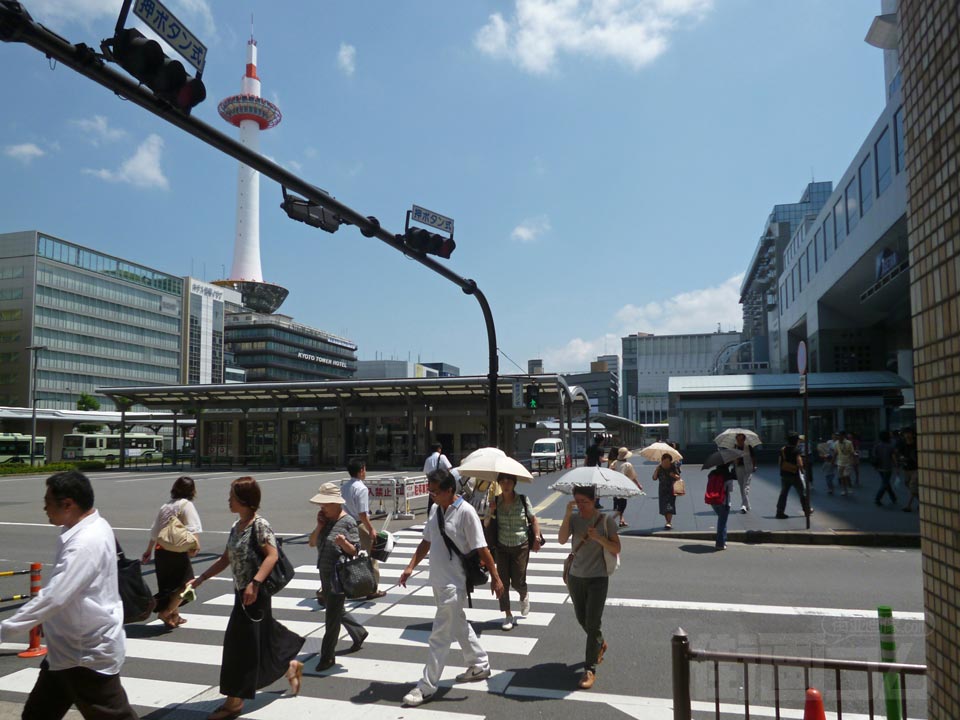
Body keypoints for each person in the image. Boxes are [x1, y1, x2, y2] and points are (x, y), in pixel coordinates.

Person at [0, 471, 138, 720]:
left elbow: (55, 596)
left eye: (48, 502)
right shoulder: (94, 524)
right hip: (66, 649)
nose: (44, 508)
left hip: (84, 654)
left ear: (68, 504)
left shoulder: (84, 542)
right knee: (37, 715)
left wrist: (5, 629)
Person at [192, 477, 304, 720]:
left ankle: (234, 703)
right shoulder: (237, 526)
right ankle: (290, 665)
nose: (228, 500)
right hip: (241, 594)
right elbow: (226, 559)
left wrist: (254, 584)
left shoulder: (259, 525)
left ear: (244, 500)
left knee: (238, 648)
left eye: (231, 495)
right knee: (261, 641)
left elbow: (272, 556)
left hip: (255, 595)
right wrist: (200, 578)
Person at [398, 468, 504, 707]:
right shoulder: (436, 509)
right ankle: (479, 664)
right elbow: (426, 540)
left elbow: (482, 548)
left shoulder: (466, 512)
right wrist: (410, 567)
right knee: (458, 624)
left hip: (454, 584)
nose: (431, 495)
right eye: (430, 490)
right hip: (438, 581)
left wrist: (496, 578)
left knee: (439, 636)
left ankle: (426, 686)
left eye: (435, 491)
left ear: (449, 490)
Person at [558, 485, 621, 691]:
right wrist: (568, 514)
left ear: (594, 500)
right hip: (576, 576)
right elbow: (561, 540)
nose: (581, 506)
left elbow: (616, 548)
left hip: (598, 578)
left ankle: (589, 668)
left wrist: (599, 538)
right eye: (577, 502)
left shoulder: (606, 521)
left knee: (593, 622)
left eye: (584, 502)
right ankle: (599, 642)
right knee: (582, 619)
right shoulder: (575, 519)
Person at [308, 481, 367, 671]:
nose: (322, 507)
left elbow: (355, 551)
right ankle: (358, 633)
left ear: (336, 503)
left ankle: (327, 656)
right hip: (324, 573)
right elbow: (312, 542)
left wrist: (343, 544)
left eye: (325, 504)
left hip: (338, 576)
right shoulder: (325, 520)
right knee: (334, 608)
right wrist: (318, 526)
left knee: (331, 617)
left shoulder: (348, 522)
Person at [142, 475, 202, 629]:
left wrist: (149, 550)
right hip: (177, 551)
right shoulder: (186, 505)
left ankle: (175, 616)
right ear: (192, 491)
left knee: (168, 586)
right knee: (187, 584)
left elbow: (155, 531)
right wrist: (195, 545)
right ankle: (167, 612)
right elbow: (193, 527)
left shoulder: (166, 506)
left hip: (161, 551)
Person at [487, 473, 542, 631]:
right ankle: (508, 615)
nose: (506, 484)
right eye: (502, 481)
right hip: (502, 546)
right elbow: (486, 523)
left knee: (518, 580)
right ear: (499, 483)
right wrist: (491, 512)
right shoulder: (495, 501)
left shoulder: (523, 500)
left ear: (514, 483)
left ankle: (523, 593)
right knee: (502, 582)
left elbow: (533, 520)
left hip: (521, 545)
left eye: (509, 481)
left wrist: (537, 537)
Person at [341, 459, 387, 600]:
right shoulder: (361, 489)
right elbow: (362, 513)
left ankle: (342, 585)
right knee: (372, 555)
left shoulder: (344, 486)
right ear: (361, 471)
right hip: (359, 524)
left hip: (345, 523)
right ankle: (372, 589)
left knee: (346, 556)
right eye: (365, 469)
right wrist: (371, 529)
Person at [776, 433, 811, 519]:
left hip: (784, 474)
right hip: (795, 475)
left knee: (783, 494)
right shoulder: (796, 450)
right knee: (802, 493)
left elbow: (779, 462)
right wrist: (802, 471)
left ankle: (779, 512)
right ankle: (807, 510)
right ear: (795, 441)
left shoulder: (783, 449)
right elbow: (799, 463)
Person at [610, 447, 642, 528]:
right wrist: (638, 484)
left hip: (614, 486)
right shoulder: (628, 465)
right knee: (622, 506)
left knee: (619, 503)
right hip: (623, 486)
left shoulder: (614, 463)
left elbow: (609, 471)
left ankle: (622, 520)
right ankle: (610, 520)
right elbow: (633, 476)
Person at [711, 462, 737, 550]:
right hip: (724, 502)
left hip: (713, 501)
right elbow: (731, 489)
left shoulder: (712, 474)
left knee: (722, 521)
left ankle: (723, 541)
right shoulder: (728, 476)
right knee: (722, 523)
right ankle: (720, 543)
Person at [423, 442, 453, 516]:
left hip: (432, 484)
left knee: (432, 502)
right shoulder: (442, 457)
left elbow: (426, 473)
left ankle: (431, 519)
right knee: (442, 502)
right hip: (441, 483)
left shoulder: (428, 459)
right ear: (439, 449)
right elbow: (449, 469)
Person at [653, 453, 680, 529]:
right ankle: (667, 521)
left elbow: (678, 477)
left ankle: (669, 522)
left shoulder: (673, 467)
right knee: (664, 507)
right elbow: (654, 478)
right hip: (662, 489)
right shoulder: (659, 467)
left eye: (668, 462)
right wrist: (656, 470)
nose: (666, 463)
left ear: (670, 461)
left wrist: (673, 475)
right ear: (662, 461)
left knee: (669, 506)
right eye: (664, 461)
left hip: (671, 489)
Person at [732, 433, 757, 513]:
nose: (739, 441)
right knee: (741, 486)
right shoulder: (735, 447)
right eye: (738, 439)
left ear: (744, 439)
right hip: (739, 468)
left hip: (748, 468)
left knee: (745, 486)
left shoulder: (748, 447)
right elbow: (733, 460)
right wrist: (736, 458)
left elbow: (753, 457)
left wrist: (754, 466)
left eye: (741, 439)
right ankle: (747, 505)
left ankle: (743, 506)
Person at [872, 431, 898, 507]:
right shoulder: (890, 446)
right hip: (887, 468)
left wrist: (875, 466)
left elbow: (874, 456)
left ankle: (893, 497)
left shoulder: (877, 446)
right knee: (885, 483)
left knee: (886, 483)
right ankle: (877, 498)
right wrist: (896, 466)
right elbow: (894, 458)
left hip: (879, 468)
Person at [896, 428, 919, 512]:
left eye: (909, 433)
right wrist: (900, 461)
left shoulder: (917, 443)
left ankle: (908, 506)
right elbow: (898, 454)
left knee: (912, 485)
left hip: (916, 468)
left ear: (912, 434)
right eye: (906, 433)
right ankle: (923, 501)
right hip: (906, 468)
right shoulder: (902, 444)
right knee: (908, 485)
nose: (907, 435)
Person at [835, 430, 857, 496]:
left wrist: (854, 460)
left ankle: (849, 487)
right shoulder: (836, 443)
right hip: (840, 462)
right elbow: (836, 452)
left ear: (843, 436)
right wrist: (833, 461)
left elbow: (852, 452)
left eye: (839, 435)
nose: (838, 437)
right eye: (837, 435)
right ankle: (844, 489)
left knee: (846, 475)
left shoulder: (849, 443)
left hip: (848, 462)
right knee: (842, 477)